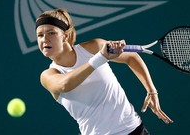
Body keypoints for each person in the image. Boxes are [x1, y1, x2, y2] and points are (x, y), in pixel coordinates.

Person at [36, 8, 173, 135]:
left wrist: (151, 90)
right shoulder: (48, 75)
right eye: (40, 35)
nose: (44, 39)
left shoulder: (94, 47)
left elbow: (131, 57)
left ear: (65, 36)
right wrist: (100, 58)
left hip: (134, 130)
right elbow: (65, 85)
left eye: (51, 33)